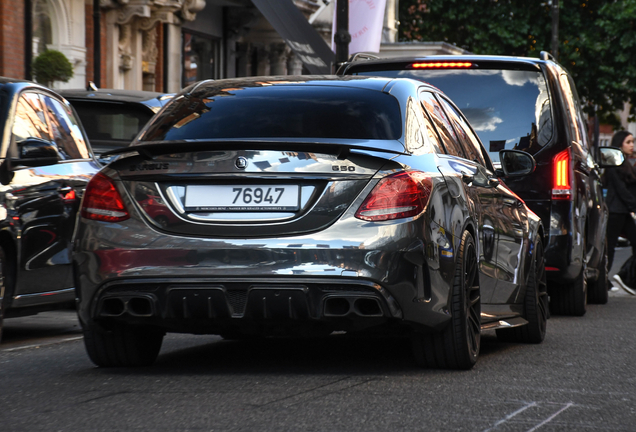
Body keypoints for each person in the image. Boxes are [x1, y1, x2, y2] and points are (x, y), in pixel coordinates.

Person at [605, 130, 636, 294]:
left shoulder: (626, 163)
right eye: (628, 142)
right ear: (619, 145)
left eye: (633, 142)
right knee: (608, 247)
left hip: (623, 211)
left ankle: (627, 278)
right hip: (616, 211)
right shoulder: (614, 164)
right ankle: (609, 279)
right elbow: (622, 190)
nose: (632, 146)